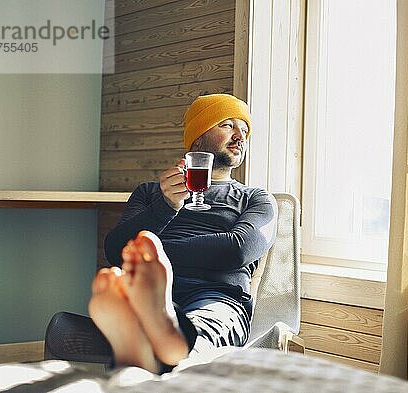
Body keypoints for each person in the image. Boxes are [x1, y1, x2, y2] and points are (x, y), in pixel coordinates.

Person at [88, 93, 277, 374]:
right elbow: (115, 250)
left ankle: (159, 330)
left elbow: (237, 250)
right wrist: (165, 207)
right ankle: (161, 327)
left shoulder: (257, 198)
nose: (240, 135)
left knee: (203, 325)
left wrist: (154, 254)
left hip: (215, 297)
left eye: (245, 129)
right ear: (197, 138)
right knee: (155, 333)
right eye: (227, 125)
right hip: (146, 292)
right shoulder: (151, 193)